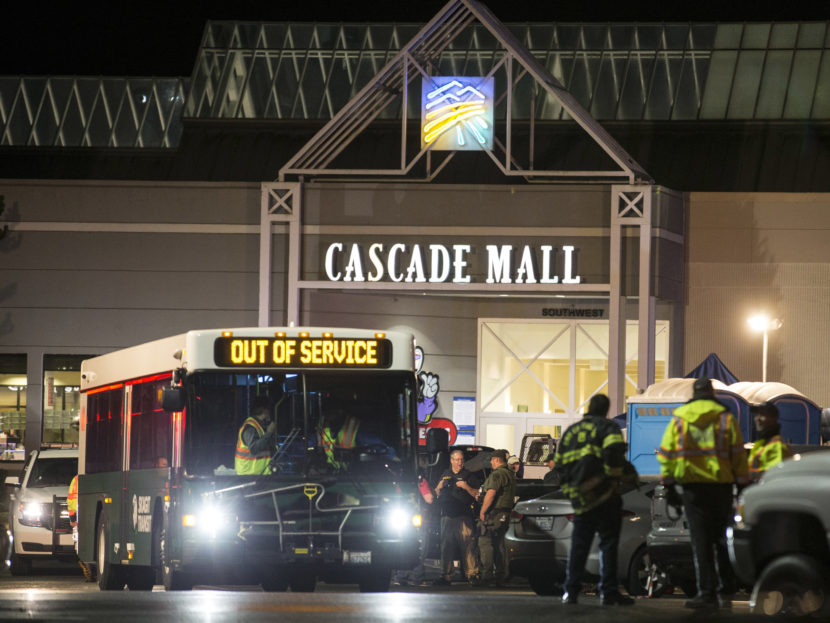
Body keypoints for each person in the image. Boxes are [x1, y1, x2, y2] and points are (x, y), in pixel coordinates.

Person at [657, 377, 749, 610]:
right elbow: (738, 454)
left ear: (694, 394)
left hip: (693, 489)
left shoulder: (680, 418)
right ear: (712, 394)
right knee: (721, 538)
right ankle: (727, 586)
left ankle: (706, 592)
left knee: (701, 541)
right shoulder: (726, 418)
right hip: (722, 487)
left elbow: (667, 452)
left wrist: (669, 484)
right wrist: (742, 483)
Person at [555, 393, 636, 606]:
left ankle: (570, 591)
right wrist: (613, 480)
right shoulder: (609, 428)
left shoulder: (572, 432)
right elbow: (614, 457)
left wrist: (571, 490)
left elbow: (560, 465)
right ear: (606, 410)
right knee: (608, 544)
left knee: (579, 545)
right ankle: (608, 592)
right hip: (605, 496)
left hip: (580, 499)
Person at [433, 449, 481, 586]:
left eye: (461, 460)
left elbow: (477, 494)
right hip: (447, 517)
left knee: (468, 547)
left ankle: (472, 575)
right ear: (451, 460)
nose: (459, 462)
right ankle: (446, 576)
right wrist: (439, 487)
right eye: (457, 459)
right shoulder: (445, 474)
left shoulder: (469, 475)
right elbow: (435, 493)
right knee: (446, 547)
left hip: (463, 516)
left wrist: (466, 487)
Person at [477, 449, 516, 586]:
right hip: (504, 514)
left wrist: (483, 511)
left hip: (494, 514)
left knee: (485, 542)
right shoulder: (509, 474)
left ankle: (486, 576)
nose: (491, 463)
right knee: (500, 545)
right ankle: (501, 576)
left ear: (496, 460)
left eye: (492, 460)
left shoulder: (497, 474)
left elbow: (491, 493)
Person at [393, 471, 435, 587]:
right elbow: (429, 499)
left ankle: (401, 576)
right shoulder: (420, 481)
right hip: (416, 521)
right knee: (420, 547)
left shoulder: (396, 481)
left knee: (402, 547)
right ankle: (417, 577)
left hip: (401, 519)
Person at [748, 401, 792, 481]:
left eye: (763, 415)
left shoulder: (778, 446)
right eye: (757, 415)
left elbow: (776, 478)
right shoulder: (761, 444)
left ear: (774, 419)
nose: (758, 419)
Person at [235, 401, 276, 475]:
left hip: (259, 474)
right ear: (264, 411)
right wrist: (269, 432)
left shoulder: (260, 426)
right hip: (248, 475)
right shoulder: (250, 427)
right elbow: (254, 449)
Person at [67, 474, 95, 582]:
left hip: (80, 517)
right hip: (87, 516)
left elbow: (70, 501)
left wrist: (72, 518)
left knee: (81, 545)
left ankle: (89, 571)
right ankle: (90, 570)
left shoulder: (76, 479)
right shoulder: (94, 476)